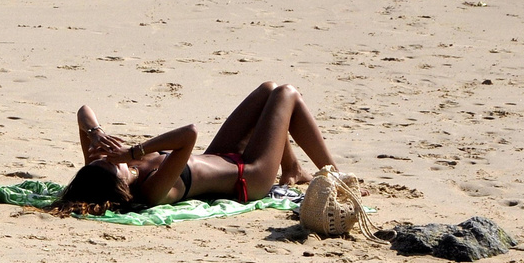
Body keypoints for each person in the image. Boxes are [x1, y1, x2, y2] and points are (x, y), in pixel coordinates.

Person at [57, 81, 340, 215]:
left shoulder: (103, 174)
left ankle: (292, 168)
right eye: (108, 162)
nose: (107, 156)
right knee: (285, 93)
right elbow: (189, 135)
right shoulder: (152, 190)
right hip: (249, 177)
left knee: (267, 89)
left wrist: (96, 134)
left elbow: (84, 112)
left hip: (220, 156)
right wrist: (134, 151)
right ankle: (336, 177)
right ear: (118, 184)